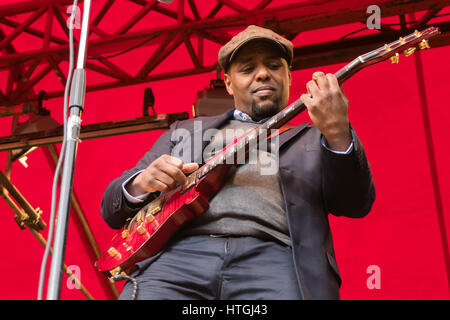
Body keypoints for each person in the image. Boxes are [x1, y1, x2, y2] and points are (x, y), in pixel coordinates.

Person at [100, 25, 375, 300]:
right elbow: (111, 209)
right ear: (229, 83)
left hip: (275, 257)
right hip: (177, 257)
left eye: (273, 66)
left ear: (289, 76)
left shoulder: (318, 135)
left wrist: (338, 133)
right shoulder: (184, 131)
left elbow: (355, 203)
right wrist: (141, 183)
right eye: (247, 69)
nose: (263, 74)